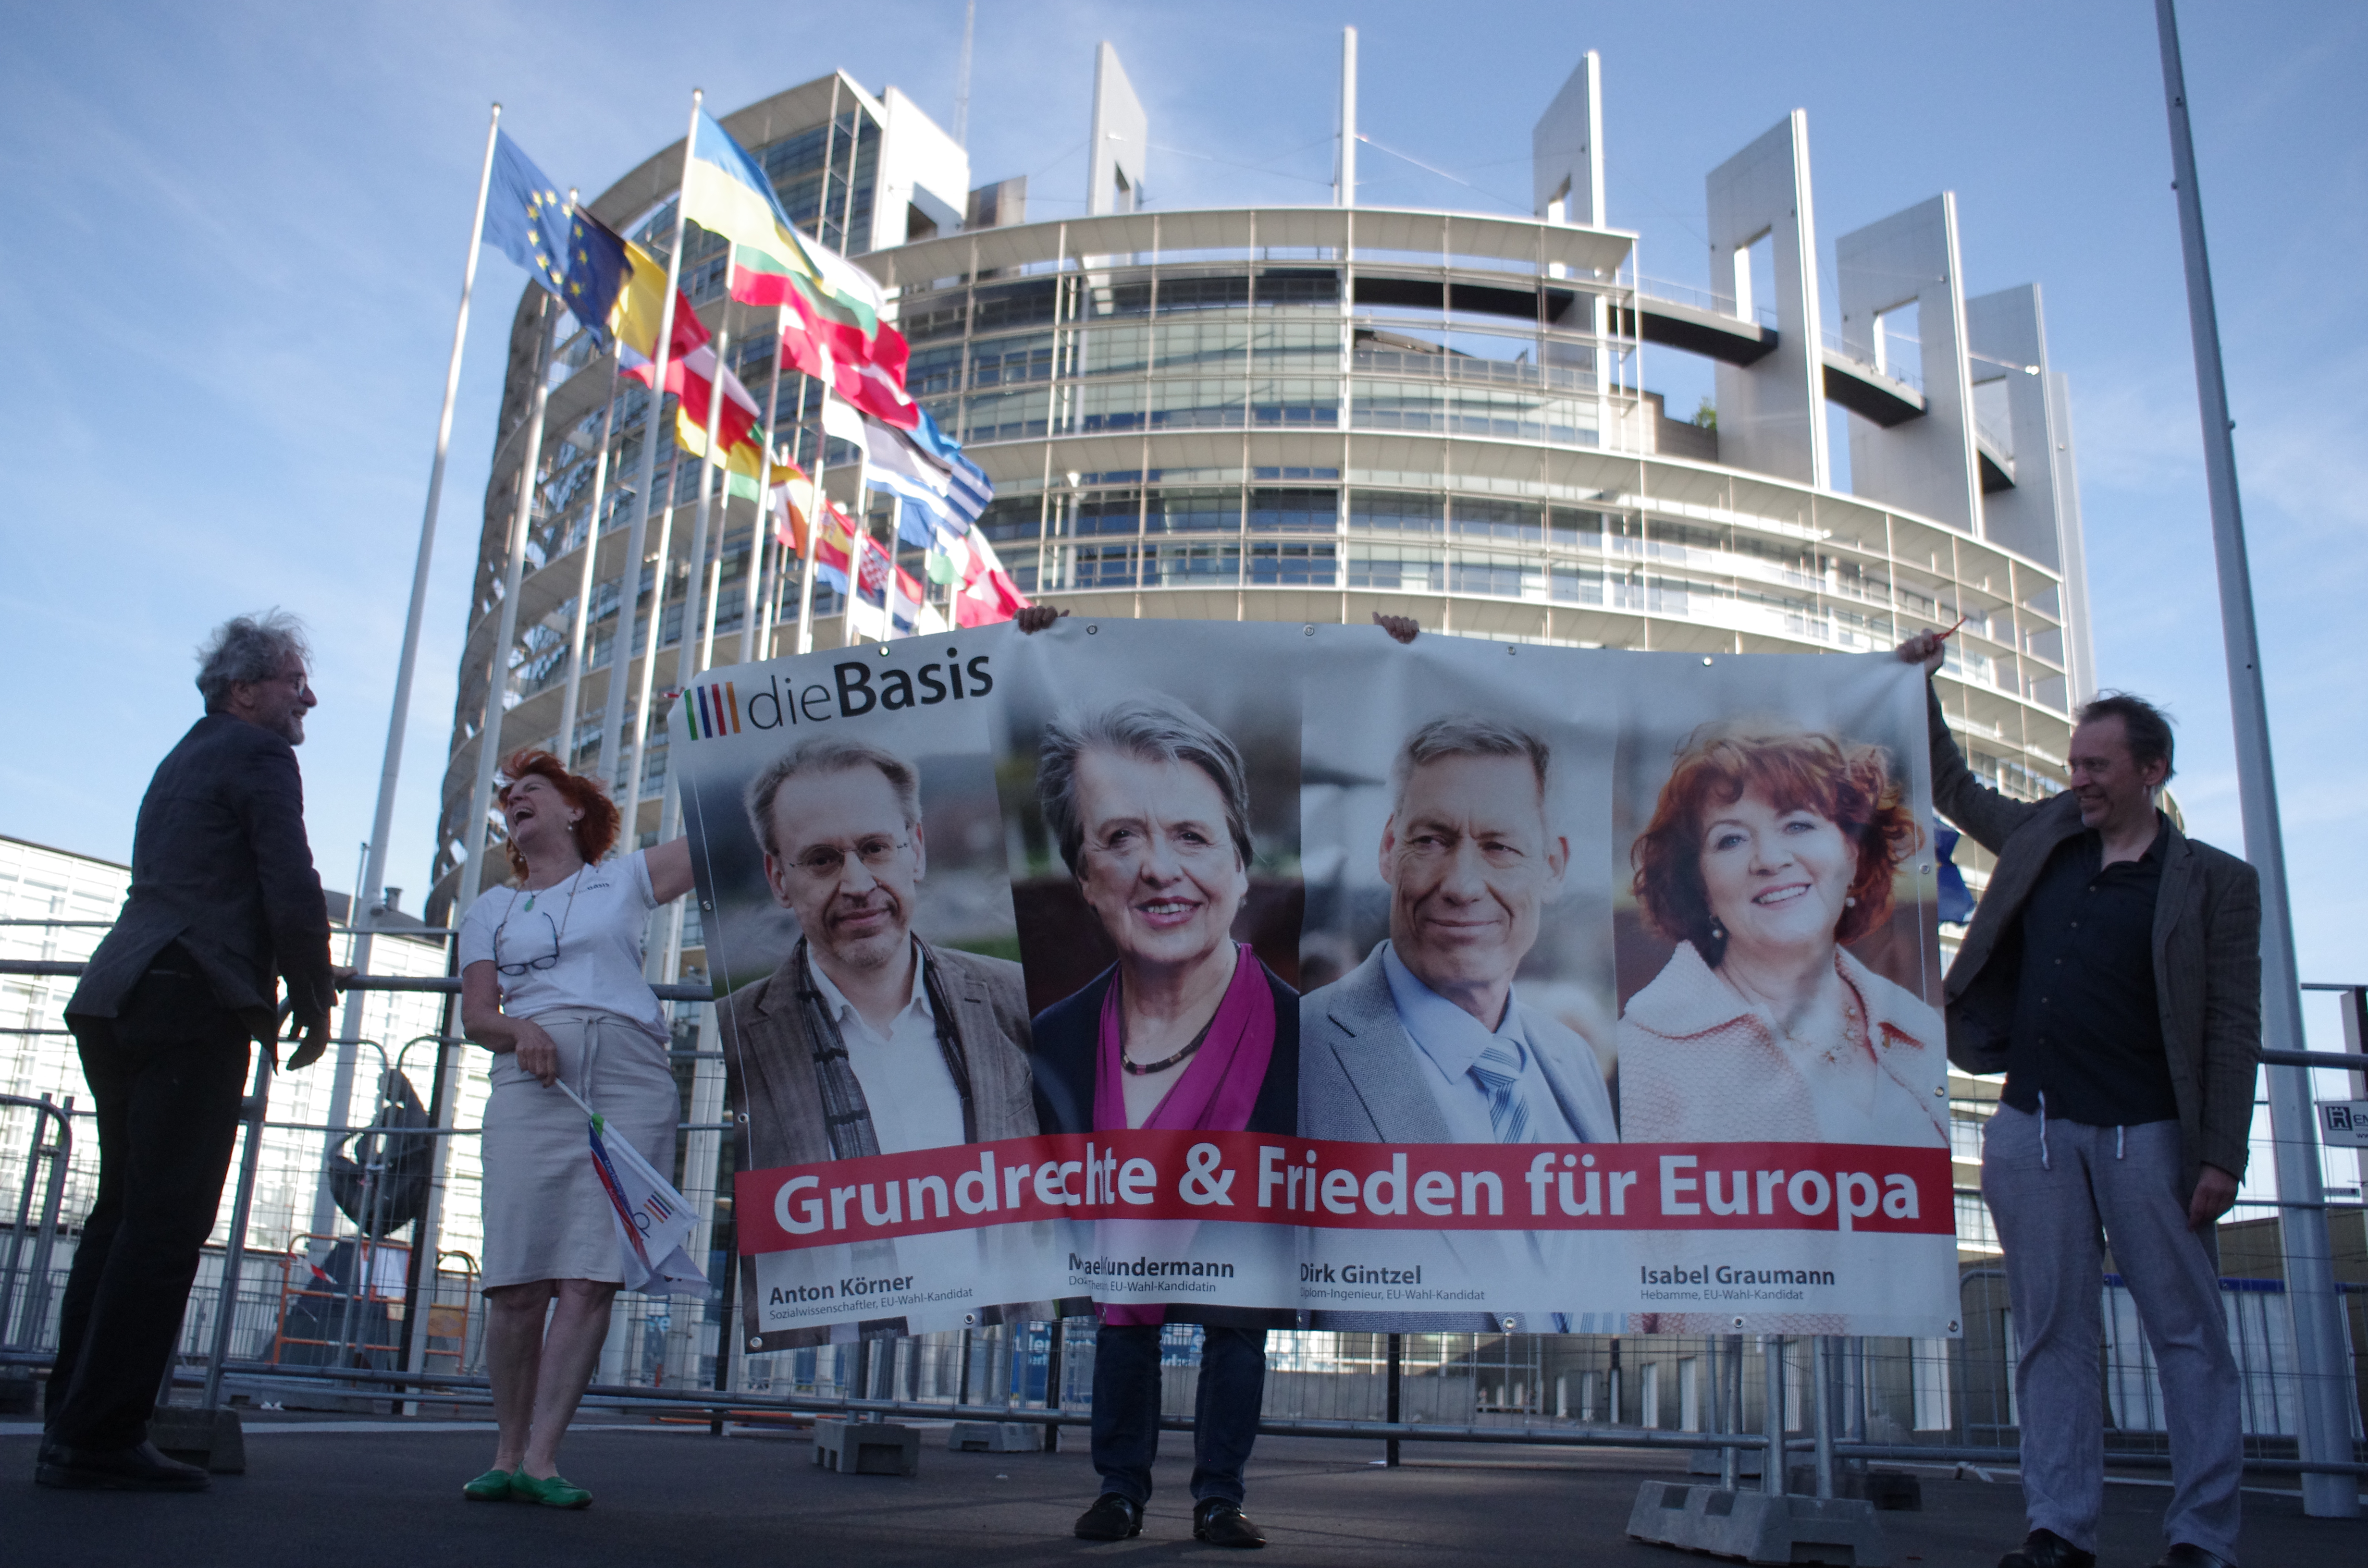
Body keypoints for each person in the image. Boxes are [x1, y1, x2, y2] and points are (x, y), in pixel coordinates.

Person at [1899, 630, 2256, 1568]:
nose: (2079, 780)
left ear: (2151, 771)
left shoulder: (2217, 884)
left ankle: (2200, 1541)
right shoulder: (2046, 836)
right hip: (2036, 1131)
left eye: (2096, 766)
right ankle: (2059, 1530)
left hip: (2152, 1138)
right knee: (2050, 1336)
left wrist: (2222, 1154)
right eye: (2073, 764)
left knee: (2187, 1339)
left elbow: (2229, 1024)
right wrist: (1920, 688)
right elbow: (1955, 788)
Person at [41, 613, 341, 1492]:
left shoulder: (182, 756)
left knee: (122, 1214)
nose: (309, 697)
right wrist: (315, 992)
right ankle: (102, 1431)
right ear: (245, 689)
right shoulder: (259, 757)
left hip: (118, 992)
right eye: (295, 680)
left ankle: (73, 1419)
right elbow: (290, 880)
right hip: (191, 995)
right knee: (166, 1223)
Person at [1026, 695, 1295, 1551]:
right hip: (1118, 1271)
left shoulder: (1311, 1038)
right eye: (1118, 838)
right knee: (1121, 1314)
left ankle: (1220, 1496)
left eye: (1189, 835)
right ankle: (1119, 1491)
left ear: (1240, 866)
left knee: (1235, 1317)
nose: (1155, 868)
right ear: (1083, 877)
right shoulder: (1050, 1047)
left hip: (1248, 1274)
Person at [456, 749, 696, 1509]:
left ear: (573, 811)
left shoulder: (621, 878)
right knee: (517, 1278)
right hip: (535, 1079)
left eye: (532, 791)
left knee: (591, 1276)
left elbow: (729, 833)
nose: (514, 801)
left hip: (630, 1075)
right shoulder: (491, 908)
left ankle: (545, 1459)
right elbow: (477, 1015)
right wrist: (518, 1028)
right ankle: (505, 1451)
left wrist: (698, 732)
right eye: (508, 798)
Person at [1618, 720, 1946, 1147]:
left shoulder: (1918, 1029)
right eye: (1731, 840)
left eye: (1797, 826)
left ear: (1852, 852)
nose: (1769, 860)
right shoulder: (1646, 1052)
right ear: (1700, 887)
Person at [720, 736, 1036, 1170]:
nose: (858, 885)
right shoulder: (731, 1037)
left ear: (917, 852)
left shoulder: (1019, 1001)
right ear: (778, 880)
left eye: (875, 849)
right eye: (821, 859)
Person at [1300, 715, 1617, 1146]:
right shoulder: (1295, 1049)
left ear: (1553, 867)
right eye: (1432, 840)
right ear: (1390, 849)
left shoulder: (1573, 1059)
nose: (1462, 886)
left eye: (1499, 847)